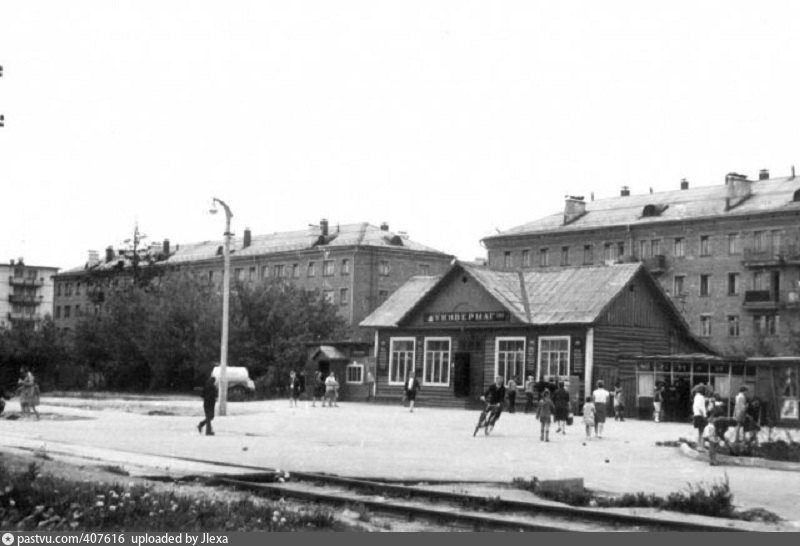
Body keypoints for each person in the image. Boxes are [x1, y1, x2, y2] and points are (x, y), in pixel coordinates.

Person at [692, 384, 708, 451]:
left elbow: (696, 406)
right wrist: (704, 416)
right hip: (701, 415)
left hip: (696, 415)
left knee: (700, 432)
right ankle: (701, 446)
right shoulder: (701, 397)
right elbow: (700, 407)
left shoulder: (696, 396)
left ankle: (699, 446)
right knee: (703, 432)